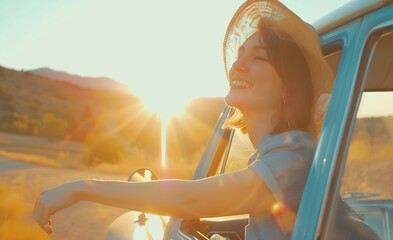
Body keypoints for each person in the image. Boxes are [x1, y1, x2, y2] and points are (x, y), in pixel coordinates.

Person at [33, 0, 333, 239]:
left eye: (258, 57)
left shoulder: (293, 158)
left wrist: (82, 187)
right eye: (240, 55)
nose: (237, 66)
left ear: (288, 89)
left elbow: (191, 201)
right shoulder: (280, 155)